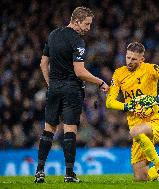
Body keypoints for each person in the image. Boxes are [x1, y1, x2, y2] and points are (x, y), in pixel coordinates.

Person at [34, 7, 109, 183]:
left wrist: (50, 84)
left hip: (54, 89)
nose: (89, 28)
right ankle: (69, 173)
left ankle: (39, 171)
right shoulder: (77, 41)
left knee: (48, 129)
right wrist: (100, 82)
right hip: (71, 90)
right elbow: (80, 72)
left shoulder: (53, 35)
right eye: (87, 24)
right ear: (76, 21)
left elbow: (43, 63)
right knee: (70, 129)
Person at [106, 42, 159, 181]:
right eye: (127, 57)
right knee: (141, 178)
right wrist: (128, 106)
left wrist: (158, 98)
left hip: (154, 122)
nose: (129, 61)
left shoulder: (150, 69)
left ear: (141, 59)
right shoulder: (119, 73)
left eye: (133, 59)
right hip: (135, 125)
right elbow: (109, 102)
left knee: (135, 132)